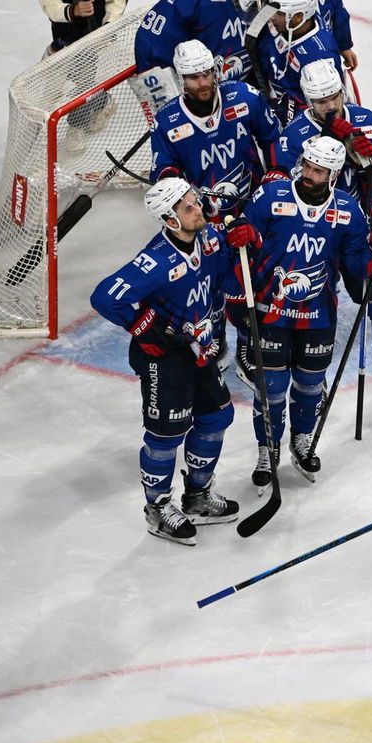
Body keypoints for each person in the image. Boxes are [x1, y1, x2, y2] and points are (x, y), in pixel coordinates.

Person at [90, 178, 258, 544]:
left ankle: (197, 495)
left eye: (194, 201)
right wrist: (145, 327)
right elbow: (105, 297)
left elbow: (232, 260)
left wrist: (247, 241)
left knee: (217, 417)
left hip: (200, 350)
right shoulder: (155, 262)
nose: (198, 208)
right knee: (166, 436)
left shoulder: (208, 239)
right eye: (188, 207)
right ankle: (157, 507)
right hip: (164, 359)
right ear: (170, 221)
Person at [236, 136, 372, 486]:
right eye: (307, 167)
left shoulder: (347, 210)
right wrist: (239, 235)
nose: (309, 175)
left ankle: (302, 438)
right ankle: (268, 448)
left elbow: (358, 265)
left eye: (318, 170)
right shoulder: (271, 196)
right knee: (272, 387)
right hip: (270, 312)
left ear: (334, 174)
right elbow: (243, 241)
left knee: (310, 385)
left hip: (318, 315)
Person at [275, 60, 372, 403]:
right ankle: (308, 383)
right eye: (321, 102)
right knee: (308, 313)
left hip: (357, 236)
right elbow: (292, 193)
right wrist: (333, 148)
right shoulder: (294, 136)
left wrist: (370, 168)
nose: (331, 106)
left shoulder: (366, 122)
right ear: (308, 101)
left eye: (335, 97)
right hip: (312, 239)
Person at [149, 39, 283, 221]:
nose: (203, 82)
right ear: (181, 79)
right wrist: (177, 186)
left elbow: (272, 137)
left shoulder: (244, 96)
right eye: (194, 77)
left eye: (207, 74)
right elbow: (163, 168)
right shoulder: (165, 121)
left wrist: (276, 173)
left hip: (255, 203)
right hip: (205, 217)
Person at [134, 0, 280, 106]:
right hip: (196, 91)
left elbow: (259, 48)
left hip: (232, 92)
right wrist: (162, 91)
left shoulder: (256, 4)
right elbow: (150, 41)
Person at [258, 0, 343, 124]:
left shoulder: (317, 57)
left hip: (294, 109)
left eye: (278, 13)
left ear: (297, 18)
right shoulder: (297, 19)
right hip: (273, 88)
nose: (270, 17)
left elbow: (322, 110)